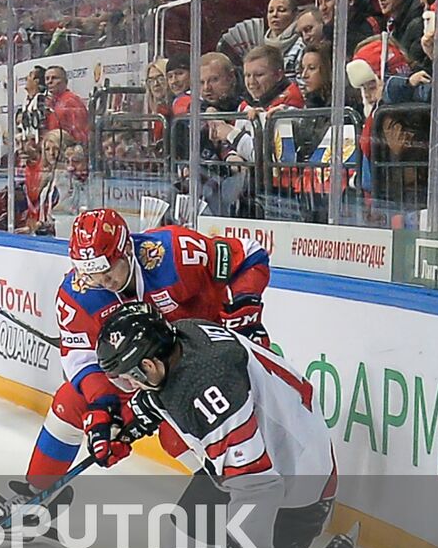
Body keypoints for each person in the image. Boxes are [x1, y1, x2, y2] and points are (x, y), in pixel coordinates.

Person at [94, 302, 357, 548]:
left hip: (299, 486)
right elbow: (174, 390)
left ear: (149, 363)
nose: (129, 388)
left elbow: (260, 485)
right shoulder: (182, 337)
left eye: (129, 379)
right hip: (257, 461)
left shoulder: (208, 390)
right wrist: (145, 410)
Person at [18, 208, 270, 490]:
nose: (102, 281)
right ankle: (37, 496)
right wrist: (104, 411)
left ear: (126, 249)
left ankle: (233, 486)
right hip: (147, 374)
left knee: (175, 434)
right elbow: (81, 360)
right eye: (91, 272)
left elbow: (249, 255)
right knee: (71, 400)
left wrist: (243, 313)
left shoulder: (173, 253)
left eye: (106, 268)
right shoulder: (77, 295)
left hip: (210, 364)